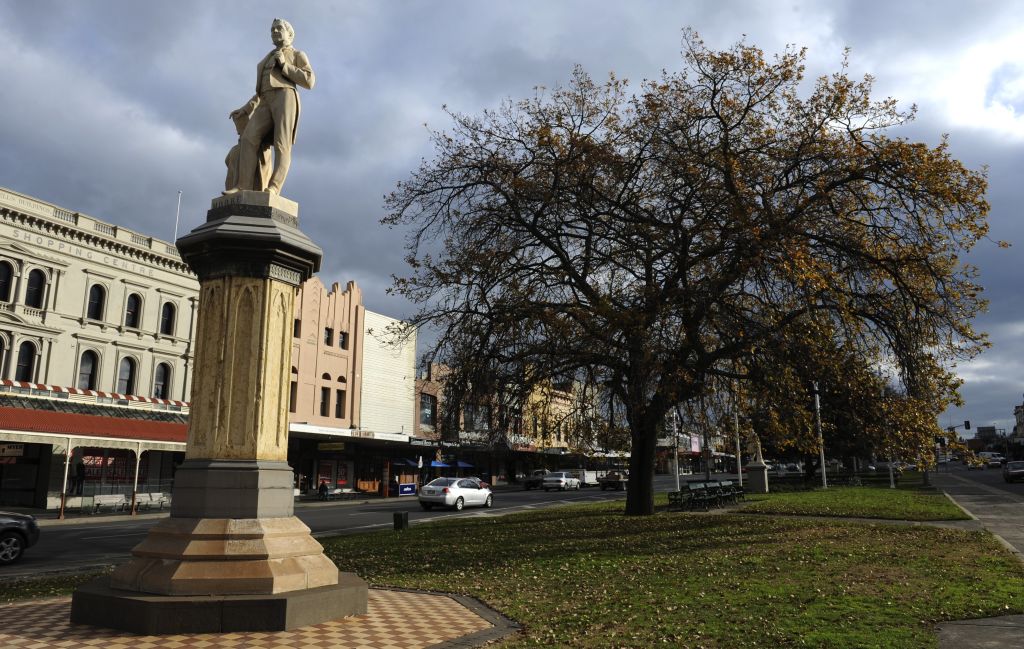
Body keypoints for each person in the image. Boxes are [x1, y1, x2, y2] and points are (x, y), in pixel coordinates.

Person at [224, 18, 315, 196]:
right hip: (265, 100)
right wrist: (246, 108)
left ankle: (274, 187)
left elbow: (309, 80)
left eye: (278, 28)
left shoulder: (297, 54)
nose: (274, 32)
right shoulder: (266, 57)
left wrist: (284, 65)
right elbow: (260, 92)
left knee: (282, 145)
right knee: (248, 139)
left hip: (286, 96)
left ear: (290, 33)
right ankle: (243, 186)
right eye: (272, 29)